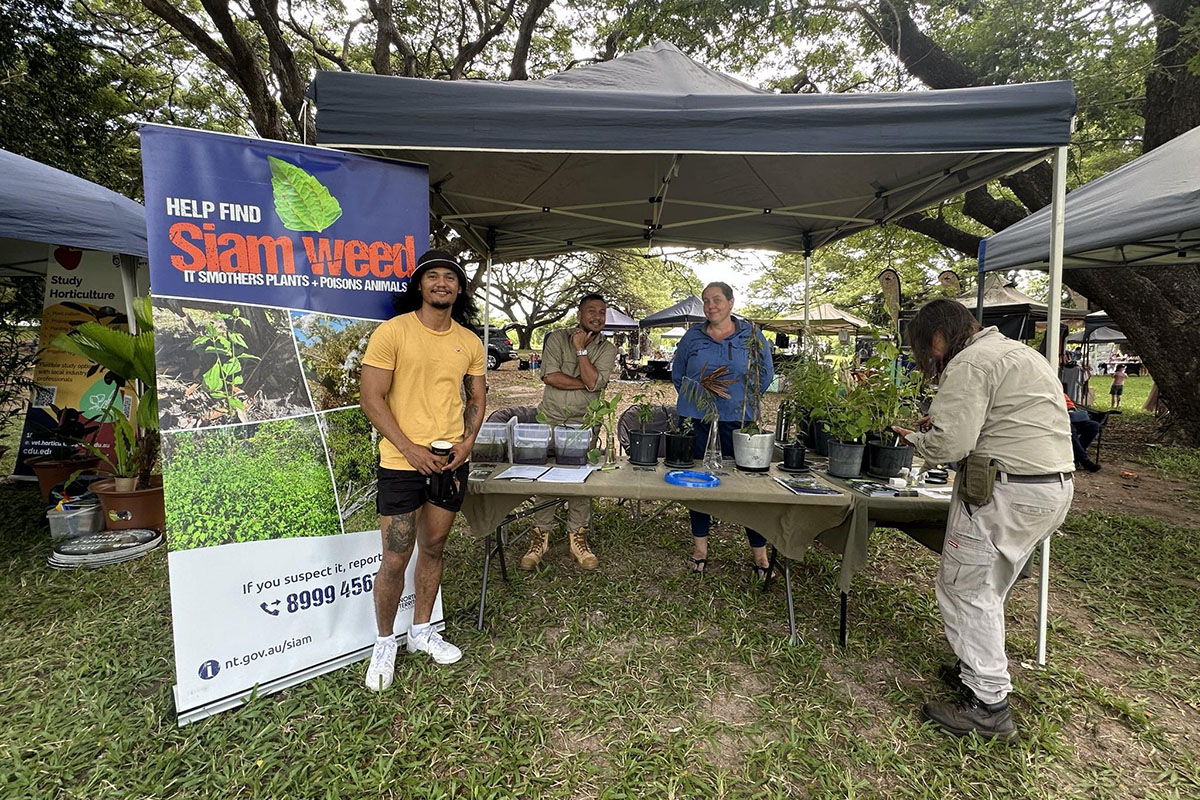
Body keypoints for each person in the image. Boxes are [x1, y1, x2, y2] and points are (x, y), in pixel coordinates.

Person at [893, 299, 1073, 741]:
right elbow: (996, 418)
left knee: (966, 590)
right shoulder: (1019, 353)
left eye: (925, 348)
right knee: (989, 584)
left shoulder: (970, 363)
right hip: (1050, 486)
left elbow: (951, 445)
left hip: (1005, 491)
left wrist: (917, 438)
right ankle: (975, 670)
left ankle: (988, 704)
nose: (929, 359)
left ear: (938, 336)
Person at [360, 249, 486, 689]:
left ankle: (421, 631)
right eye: (433, 276)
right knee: (395, 556)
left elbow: (476, 398)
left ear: (459, 288)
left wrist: (467, 443)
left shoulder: (469, 341)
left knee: (434, 547)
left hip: (450, 461)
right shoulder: (393, 332)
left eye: (450, 278)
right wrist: (408, 448)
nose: (442, 284)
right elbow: (371, 398)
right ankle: (384, 643)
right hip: (400, 461)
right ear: (419, 285)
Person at [672, 282, 775, 577]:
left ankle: (760, 554)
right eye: (705, 301)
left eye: (716, 299)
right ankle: (700, 549)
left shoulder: (751, 334)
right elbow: (678, 375)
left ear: (730, 302)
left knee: (748, 486)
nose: (710, 305)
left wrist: (742, 401)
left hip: (740, 421)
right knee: (698, 483)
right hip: (697, 421)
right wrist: (699, 401)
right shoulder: (692, 337)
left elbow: (765, 375)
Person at [520, 294, 616, 571]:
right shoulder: (556, 338)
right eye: (591, 311)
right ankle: (541, 536)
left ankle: (578, 538)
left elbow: (597, 382)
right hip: (550, 419)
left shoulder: (607, 348)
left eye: (602, 311)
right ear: (579, 313)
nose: (597, 316)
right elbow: (550, 376)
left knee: (580, 479)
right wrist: (587, 383)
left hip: (585, 422)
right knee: (546, 475)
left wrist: (581, 351)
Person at [1064, 393, 1101, 472]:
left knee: (1093, 426)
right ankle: (1084, 461)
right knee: (1070, 429)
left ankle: (1076, 457)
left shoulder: (1058, 390)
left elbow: (1069, 403)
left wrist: (1071, 409)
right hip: (1058, 421)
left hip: (1071, 418)